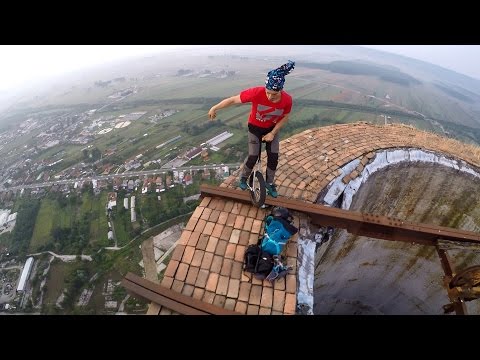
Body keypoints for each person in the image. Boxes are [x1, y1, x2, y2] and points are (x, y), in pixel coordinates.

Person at [208, 60, 295, 198]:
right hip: (255, 128)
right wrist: (215, 107)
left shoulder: (287, 100)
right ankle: (243, 178)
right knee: (253, 155)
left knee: (273, 157)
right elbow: (233, 100)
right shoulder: (256, 93)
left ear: (281, 90)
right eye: (268, 92)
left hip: (272, 129)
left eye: (274, 94)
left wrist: (272, 133)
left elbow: (285, 117)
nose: (270, 96)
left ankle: (270, 183)